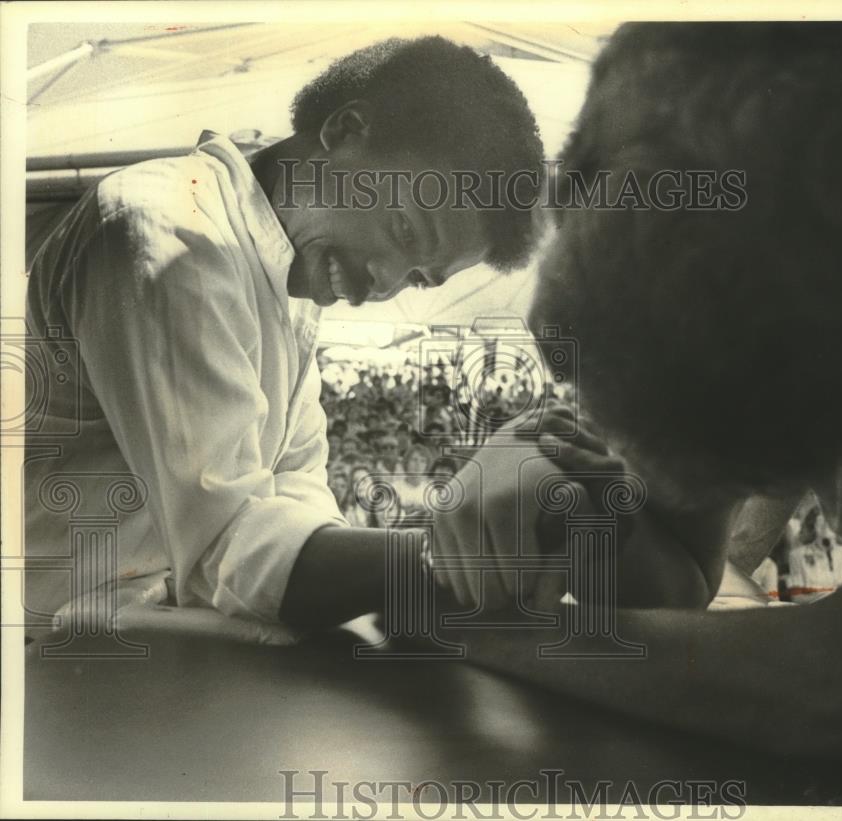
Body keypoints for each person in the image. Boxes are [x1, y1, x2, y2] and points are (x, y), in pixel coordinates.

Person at [429, 21, 842, 762]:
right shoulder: (734, 195)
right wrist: (557, 468)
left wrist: (478, 631)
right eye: (790, 472)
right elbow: (678, 581)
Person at [23, 35, 544, 634]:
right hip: (51, 668)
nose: (383, 283)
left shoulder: (282, 282)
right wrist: (454, 557)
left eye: (420, 280)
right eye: (402, 229)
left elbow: (296, 500)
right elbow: (225, 544)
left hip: (151, 658)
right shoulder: (173, 233)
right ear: (346, 130)